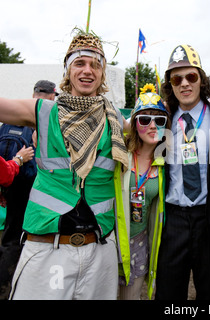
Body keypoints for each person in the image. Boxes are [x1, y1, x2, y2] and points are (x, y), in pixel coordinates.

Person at [0, 29, 130, 300]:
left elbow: (155, 128)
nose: (87, 71)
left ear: (103, 74)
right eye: (79, 63)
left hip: (100, 246)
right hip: (48, 245)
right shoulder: (43, 110)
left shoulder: (116, 118)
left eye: (95, 65)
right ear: (68, 70)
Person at [155, 44, 210, 300]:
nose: (185, 84)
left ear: (202, 80)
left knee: (209, 291)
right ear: (170, 84)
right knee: (168, 292)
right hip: (173, 219)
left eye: (191, 76)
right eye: (177, 78)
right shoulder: (162, 119)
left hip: (208, 219)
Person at [0, 80, 55, 299]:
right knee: (37, 241)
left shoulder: (10, 120)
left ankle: (5, 288)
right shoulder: (44, 118)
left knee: (11, 240)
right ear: (50, 96)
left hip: (11, 190)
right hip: (36, 192)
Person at [118, 83, 170, 300]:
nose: (152, 126)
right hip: (110, 243)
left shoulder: (166, 165)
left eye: (159, 120)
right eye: (144, 119)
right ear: (134, 123)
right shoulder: (117, 154)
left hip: (139, 246)